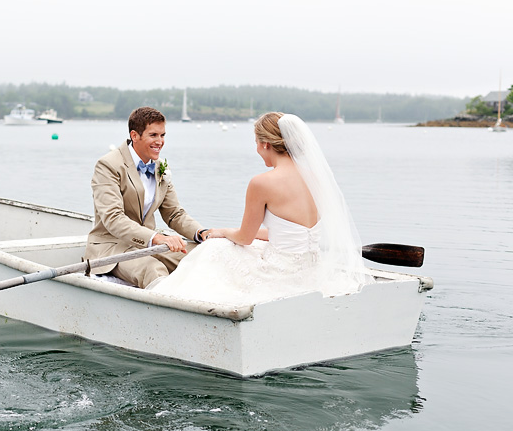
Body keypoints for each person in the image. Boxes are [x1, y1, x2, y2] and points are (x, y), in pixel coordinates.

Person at [151, 112, 373, 304]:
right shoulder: (317, 178)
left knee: (215, 249)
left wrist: (222, 232)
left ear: (266, 144)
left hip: (282, 272)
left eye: (256, 142)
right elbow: (292, 232)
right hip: (312, 268)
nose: (257, 149)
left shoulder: (262, 183)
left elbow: (244, 238)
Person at [84, 106, 207, 289]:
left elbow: (174, 214)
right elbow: (113, 218)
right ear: (134, 135)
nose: (160, 141)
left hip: (148, 245)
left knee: (203, 256)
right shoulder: (108, 165)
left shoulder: (160, 167)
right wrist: (157, 238)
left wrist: (201, 233)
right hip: (111, 248)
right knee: (153, 269)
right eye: (153, 135)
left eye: (163, 135)